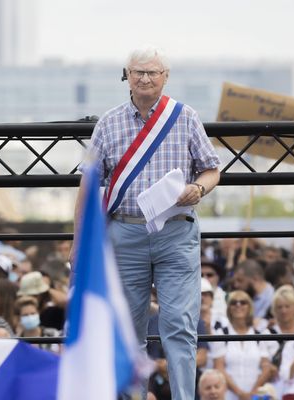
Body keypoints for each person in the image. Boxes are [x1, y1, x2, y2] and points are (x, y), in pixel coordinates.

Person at [73, 45, 220, 400]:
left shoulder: (185, 117)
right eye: (138, 72)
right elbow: (88, 184)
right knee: (128, 329)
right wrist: (78, 240)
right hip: (125, 231)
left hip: (175, 229)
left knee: (180, 325)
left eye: (152, 72)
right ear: (127, 77)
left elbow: (212, 169)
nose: (145, 78)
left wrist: (197, 188)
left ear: (165, 77)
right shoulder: (108, 122)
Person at [211, 290, 271, 400]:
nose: (238, 305)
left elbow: (266, 367)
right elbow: (219, 367)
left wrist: (252, 392)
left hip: (255, 396)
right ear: (229, 308)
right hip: (228, 395)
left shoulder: (259, 334)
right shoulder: (221, 333)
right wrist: (240, 393)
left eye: (243, 302)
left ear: (249, 307)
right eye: (234, 302)